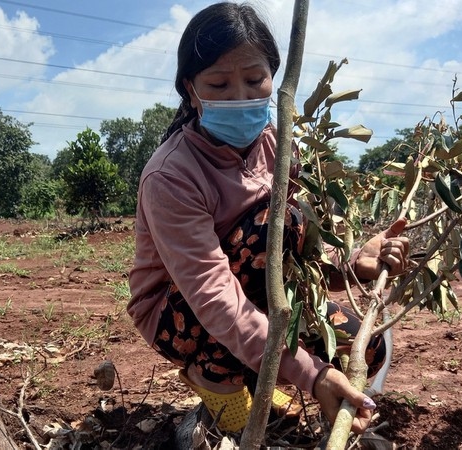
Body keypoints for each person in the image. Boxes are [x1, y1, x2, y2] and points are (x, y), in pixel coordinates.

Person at [127, 1, 409, 434]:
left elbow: (303, 246)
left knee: (367, 347)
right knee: (264, 231)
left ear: (275, 80)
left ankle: (262, 372)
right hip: (181, 313)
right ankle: (214, 378)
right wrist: (311, 374)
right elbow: (213, 296)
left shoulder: (280, 147)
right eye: (219, 84)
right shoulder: (171, 176)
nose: (240, 98)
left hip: (265, 297)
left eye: (255, 80)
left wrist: (352, 265)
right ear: (190, 89)